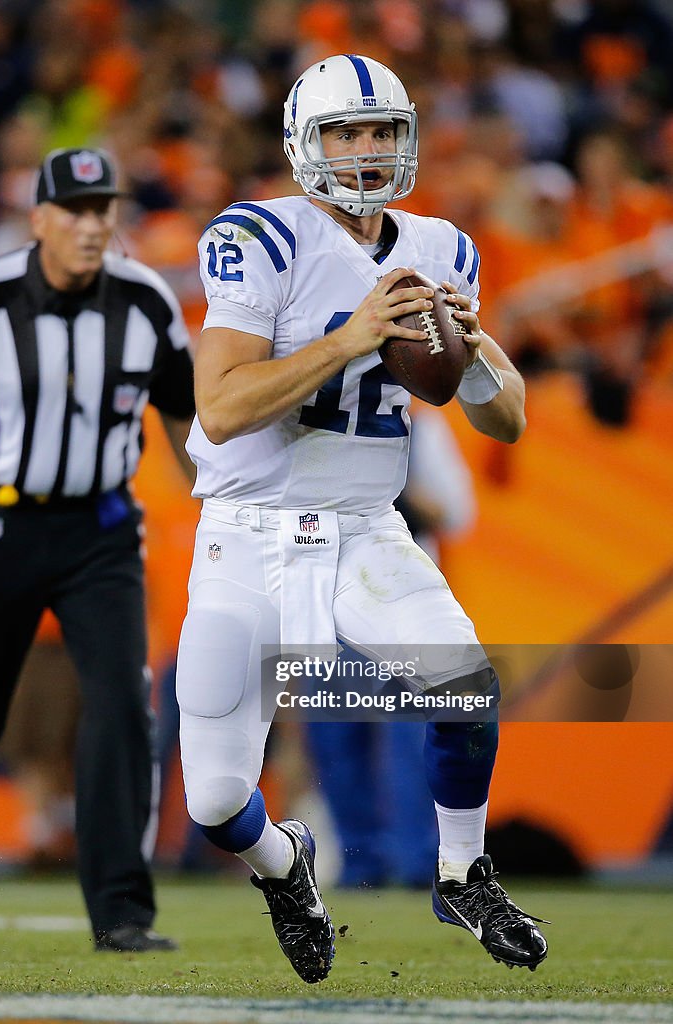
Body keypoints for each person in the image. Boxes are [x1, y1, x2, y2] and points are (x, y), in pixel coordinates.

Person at [175, 54, 548, 984]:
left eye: (383, 130)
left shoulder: (439, 247)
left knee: (466, 691)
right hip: (249, 530)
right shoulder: (264, 237)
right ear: (307, 143)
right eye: (348, 132)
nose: (370, 150)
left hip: (364, 526)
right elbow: (218, 409)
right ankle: (285, 865)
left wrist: (465, 354)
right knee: (218, 801)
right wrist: (354, 335)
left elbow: (507, 420)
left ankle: (464, 872)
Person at [0, 147, 195, 953]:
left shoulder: (145, 300)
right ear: (40, 219)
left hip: (101, 530)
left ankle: (122, 912)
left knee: (124, 709)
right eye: (76, 211)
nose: (93, 227)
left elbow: (186, 417)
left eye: (104, 210)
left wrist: (222, 501)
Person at [306, 406, 477, 889]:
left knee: (407, 744)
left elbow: (458, 512)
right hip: (325, 602)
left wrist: (391, 488)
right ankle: (363, 864)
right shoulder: (310, 420)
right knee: (337, 743)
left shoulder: (418, 426)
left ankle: (421, 862)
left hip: (398, 604)